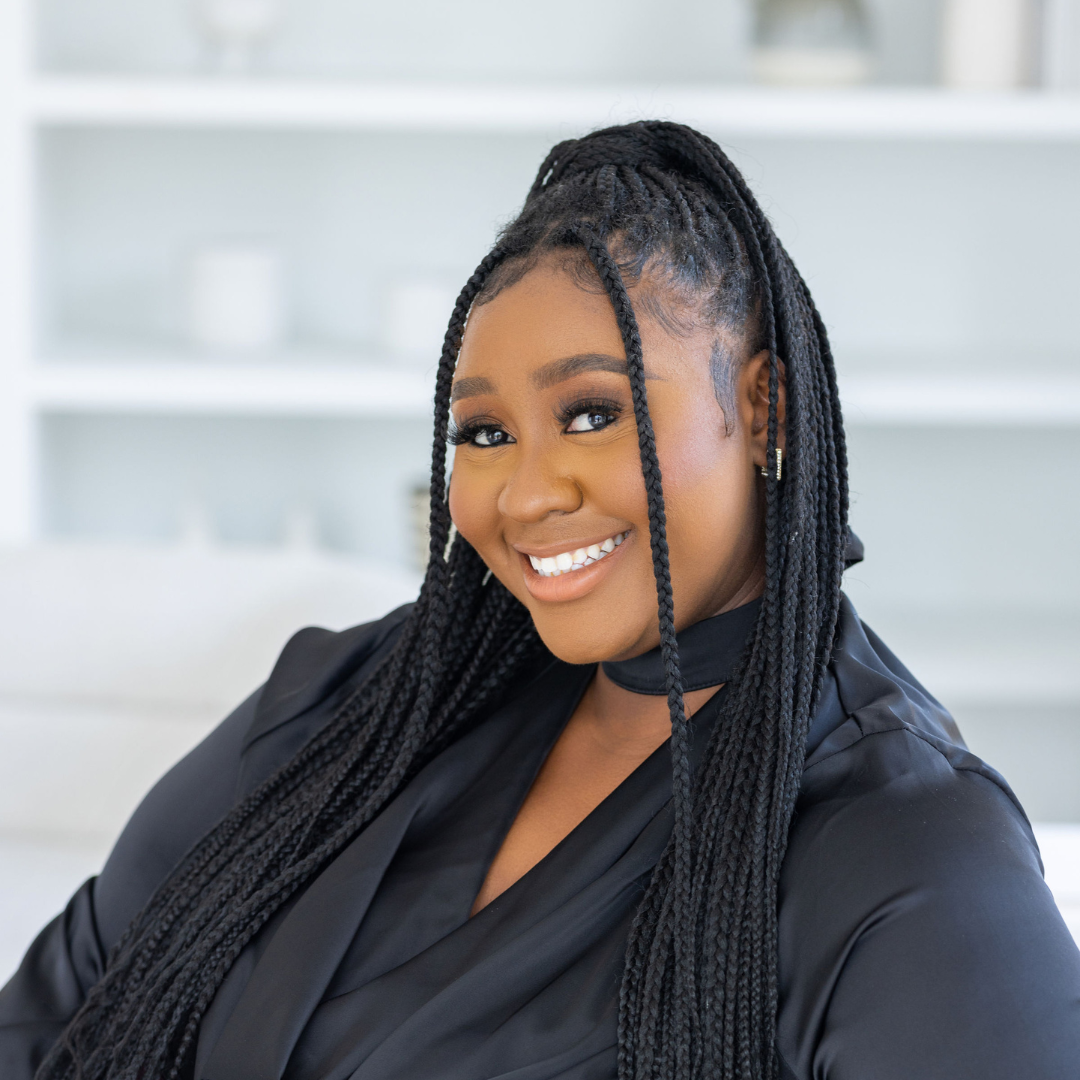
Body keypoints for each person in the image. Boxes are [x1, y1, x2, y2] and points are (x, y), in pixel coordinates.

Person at [1, 121, 1077, 1080]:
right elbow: (59, 1010)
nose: (524, 493)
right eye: (485, 434)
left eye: (593, 413)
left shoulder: (908, 856)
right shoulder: (354, 705)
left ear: (765, 410)